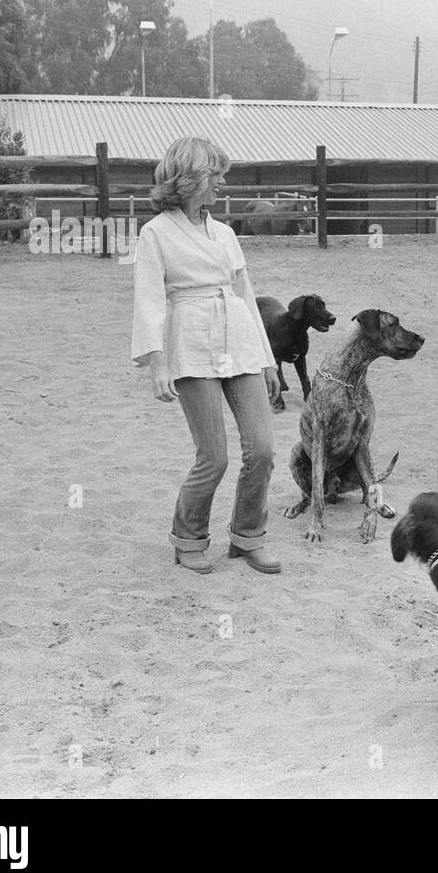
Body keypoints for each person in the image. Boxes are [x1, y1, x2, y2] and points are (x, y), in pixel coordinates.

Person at [131, 136, 283, 574]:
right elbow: (148, 300)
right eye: (214, 173)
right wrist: (156, 361)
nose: (221, 181)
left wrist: (268, 358)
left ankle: (248, 537)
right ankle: (189, 537)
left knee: (263, 448)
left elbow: (245, 292)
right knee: (213, 456)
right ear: (189, 177)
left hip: (239, 339)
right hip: (191, 340)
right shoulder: (155, 234)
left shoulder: (225, 233)